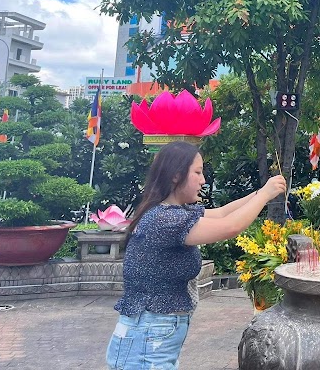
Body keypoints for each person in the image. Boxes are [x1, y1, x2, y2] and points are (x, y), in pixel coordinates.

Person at [106, 141, 287, 370]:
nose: (203, 180)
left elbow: (222, 214)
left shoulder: (174, 211)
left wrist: (262, 193)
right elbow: (230, 226)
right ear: (176, 176)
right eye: (198, 172)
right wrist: (266, 195)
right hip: (147, 340)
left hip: (153, 337)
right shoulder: (164, 220)